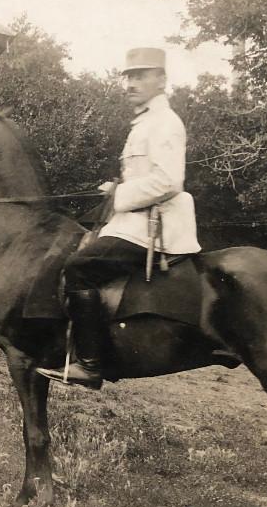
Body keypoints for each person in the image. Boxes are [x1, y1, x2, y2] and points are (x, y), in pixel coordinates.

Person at [36, 47, 200, 387]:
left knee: (79, 269)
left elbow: (169, 180)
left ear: (162, 79)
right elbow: (146, 176)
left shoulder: (166, 123)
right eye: (128, 76)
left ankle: (91, 364)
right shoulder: (144, 122)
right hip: (136, 221)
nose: (131, 83)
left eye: (141, 75)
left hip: (156, 228)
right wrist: (117, 186)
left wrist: (121, 195)